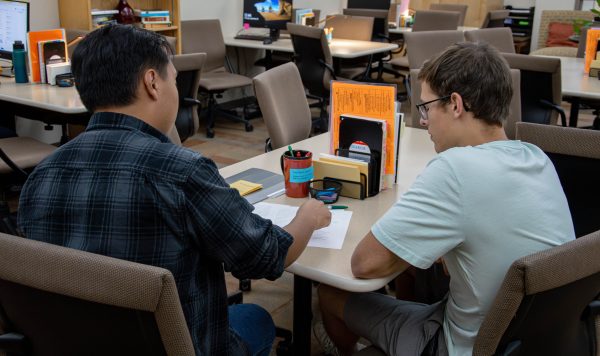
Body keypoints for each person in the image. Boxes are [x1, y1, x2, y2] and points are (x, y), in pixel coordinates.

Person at [18, 25, 331, 356]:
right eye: (174, 79)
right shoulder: (183, 173)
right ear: (152, 82)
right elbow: (266, 257)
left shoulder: (40, 177)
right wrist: (308, 216)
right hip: (180, 345)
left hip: (85, 342)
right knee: (254, 318)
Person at [316, 42, 575, 356]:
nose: (423, 121)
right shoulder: (536, 157)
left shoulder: (454, 170)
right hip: (524, 339)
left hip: (463, 346)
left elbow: (364, 264)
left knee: (331, 291)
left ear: (455, 104)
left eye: (426, 107)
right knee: (417, 268)